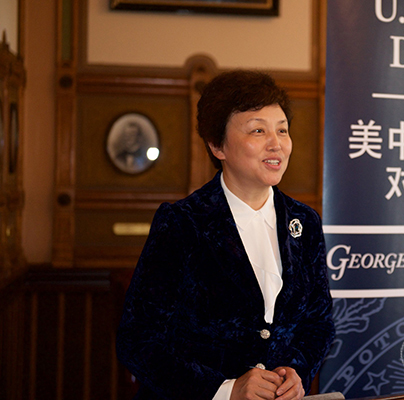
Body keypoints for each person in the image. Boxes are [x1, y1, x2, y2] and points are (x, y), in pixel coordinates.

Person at [116, 70, 335, 400]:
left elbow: (318, 323)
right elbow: (137, 340)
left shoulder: (305, 222)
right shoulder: (183, 223)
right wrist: (225, 390)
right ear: (217, 145)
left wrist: (297, 371)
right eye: (258, 130)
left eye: (282, 130)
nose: (276, 143)